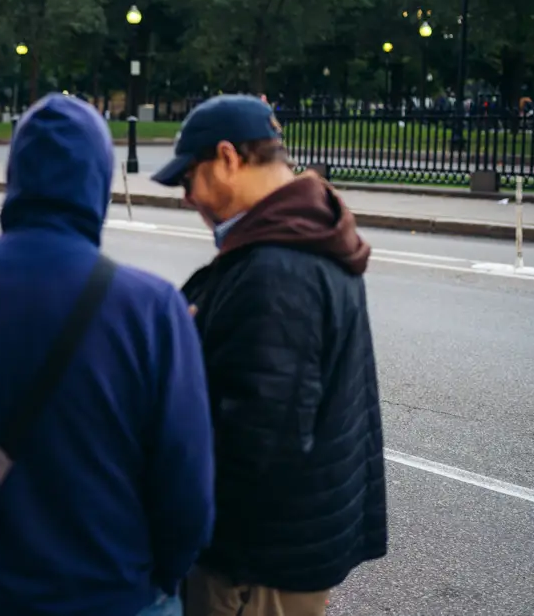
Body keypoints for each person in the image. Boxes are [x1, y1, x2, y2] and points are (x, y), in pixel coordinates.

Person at [0, 93, 215, 616]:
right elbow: (188, 494)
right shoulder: (153, 308)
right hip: (112, 593)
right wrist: (157, 582)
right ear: (99, 185)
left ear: (17, 177)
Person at [151, 94, 388, 616]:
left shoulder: (276, 269)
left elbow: (258, 439)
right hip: (292, 543)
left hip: (254, 562)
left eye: (190, 179)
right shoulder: (308, 236)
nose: (189, 197)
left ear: (229, 158)